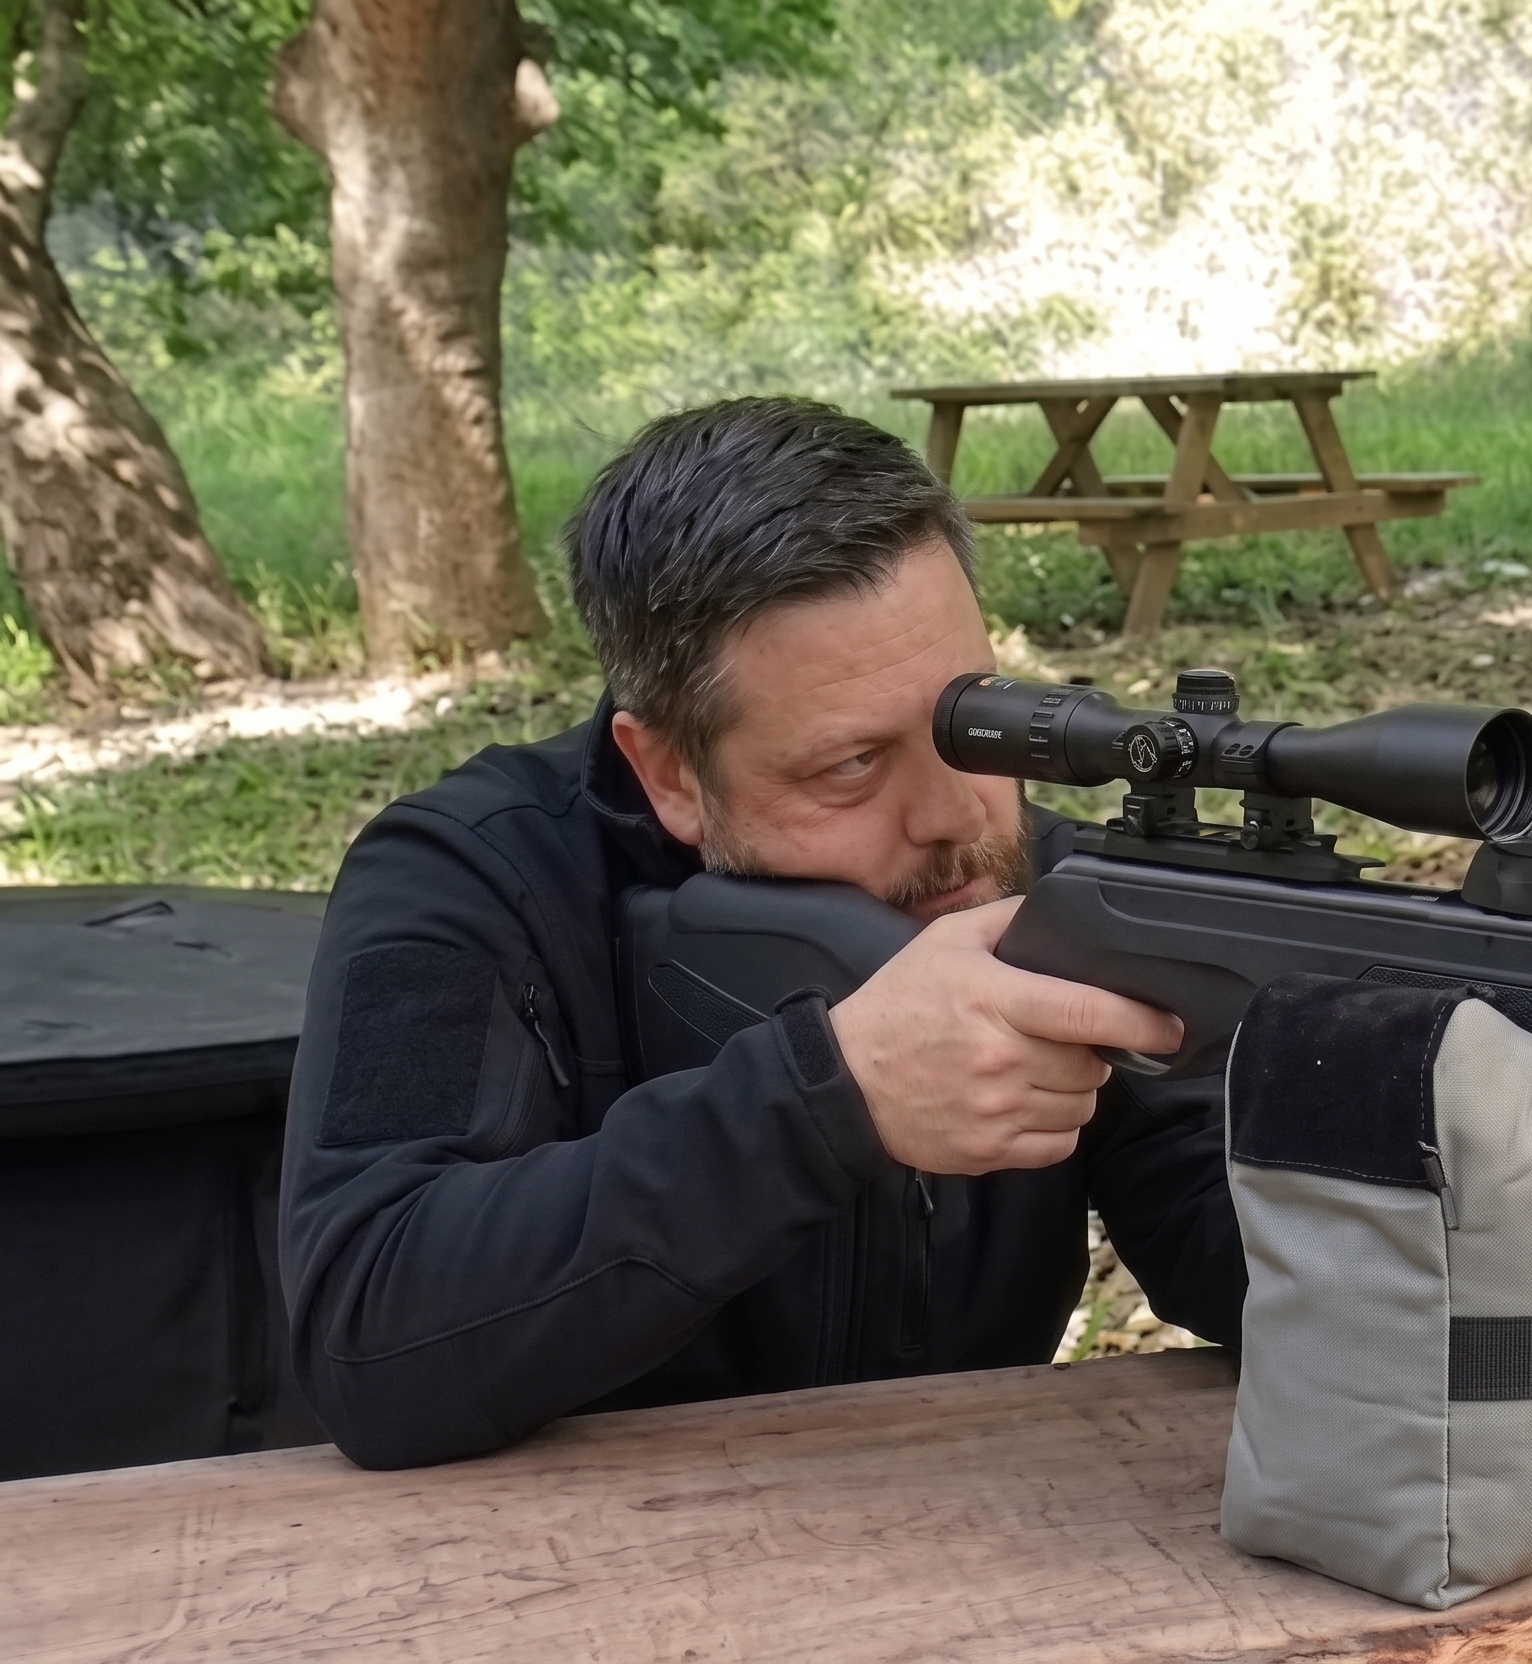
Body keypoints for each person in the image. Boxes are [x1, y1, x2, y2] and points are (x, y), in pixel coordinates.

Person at [281, 398, 1243, 1469]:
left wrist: (1382, 1138)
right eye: (850, 766)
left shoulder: (1043, 882)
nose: (959, 816)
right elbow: (368, 1328)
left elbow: (1225, 1241)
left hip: (975, 1521)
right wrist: (827, 1102)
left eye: (976, 725)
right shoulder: (466, 879)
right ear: (672, 775)